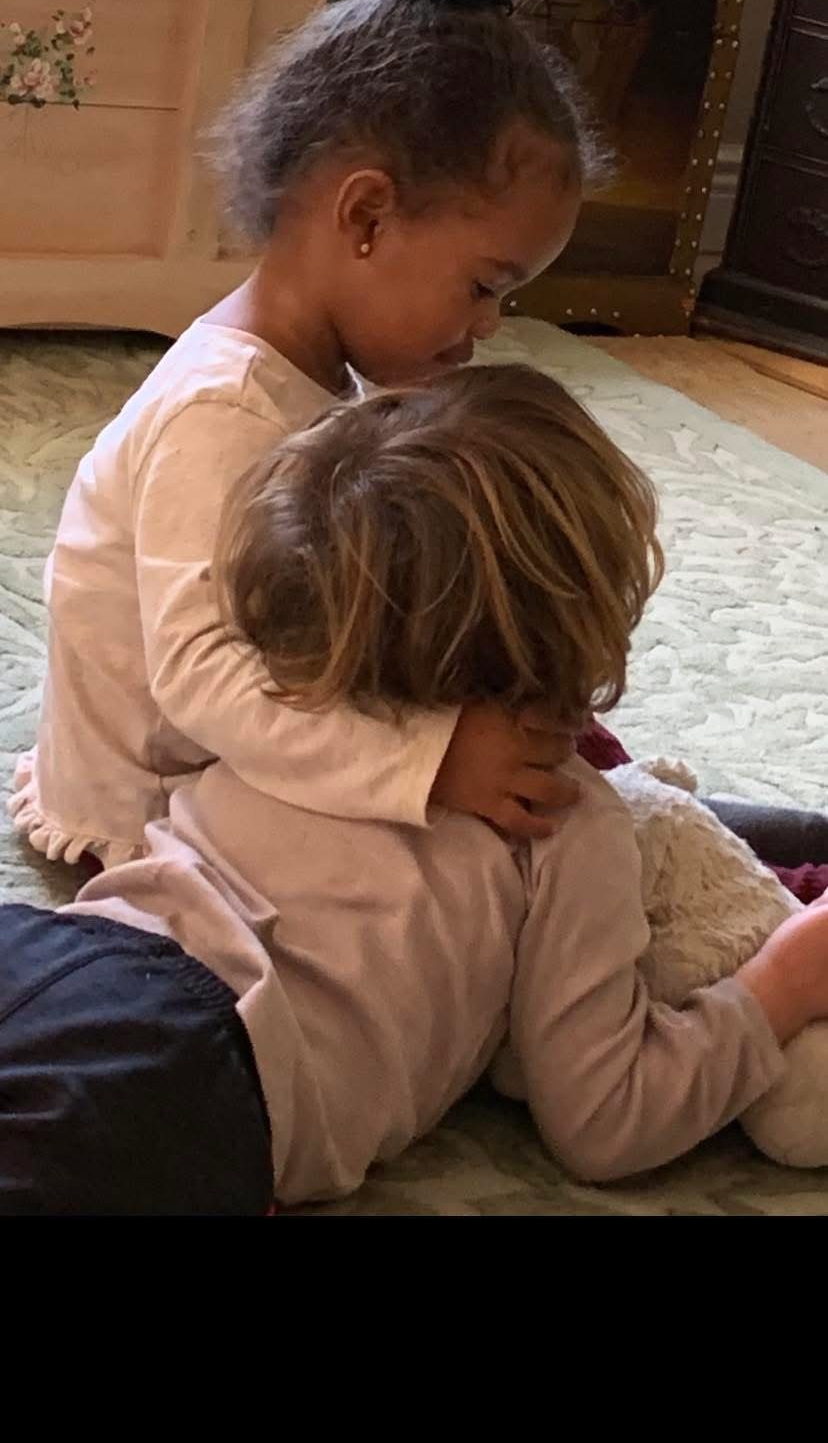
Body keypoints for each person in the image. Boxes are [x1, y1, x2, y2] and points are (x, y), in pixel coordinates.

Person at [9, 0, 826, 879]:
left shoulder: (307, 374)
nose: (487, 326)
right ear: (366, 216)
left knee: (564, 797)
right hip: (169, 819)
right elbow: (204, 687)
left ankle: (727, 845)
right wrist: (432, 761)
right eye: (484, 286)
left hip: (261, 761)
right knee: (518, 868)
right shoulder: (220, 413)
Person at [3, 364, 827, 1215]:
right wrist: (783, 983)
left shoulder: (294, 704)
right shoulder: (562, 824)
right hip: (200, 1058)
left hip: (60, 946)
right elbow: (606, 1121)